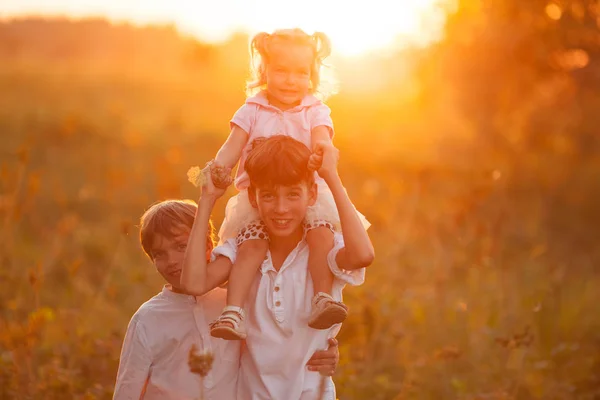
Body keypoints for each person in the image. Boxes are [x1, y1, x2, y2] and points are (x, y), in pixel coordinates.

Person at [203, 28, 370, 341]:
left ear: (313, 76)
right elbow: (232, 145)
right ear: (264, 70)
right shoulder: (252, 109)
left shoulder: (315, 110)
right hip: (260, 197)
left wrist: (323, 150)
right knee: (251, 245)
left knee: (320, 235)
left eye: (301, 73)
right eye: (281, 71)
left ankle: (323, 298)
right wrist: (218, 168)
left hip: (305, 193)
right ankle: (233, 312)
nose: (291, 80)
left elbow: (322, 138)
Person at [181, 135, 375, 399]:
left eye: (293, 194)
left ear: (312, 195)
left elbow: (363, 255)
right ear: (253, 197)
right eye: (269, 196)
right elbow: (193, 284)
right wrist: (207, 200)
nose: (281, 209)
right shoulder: (243, 252)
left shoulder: (323, 250)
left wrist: (332, 177)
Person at [113, 199, 339, 400]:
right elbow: (127, 389)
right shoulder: (148, 319)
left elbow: (276, 343)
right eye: (159, 254)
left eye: (181, 247)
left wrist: (326, 350)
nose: (171, 261)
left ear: (209, 246)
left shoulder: (236, 303)